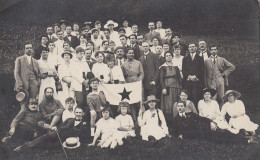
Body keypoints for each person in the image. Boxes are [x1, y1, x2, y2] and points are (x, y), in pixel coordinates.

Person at [173, 101, 256, 144]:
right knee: (221, 139)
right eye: (178, 106)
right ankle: (246, 141)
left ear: (184, 107)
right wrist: (180, 135)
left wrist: (211, 122)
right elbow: (176, 131)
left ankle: (244, 137)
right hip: (201, 134)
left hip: (207, 127)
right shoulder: (176, 119)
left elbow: (203, 118)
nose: (180, 108)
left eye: (181, 106)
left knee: (225, 132)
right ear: (176, 108)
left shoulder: (191, 114)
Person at [14, 107, 91, 152]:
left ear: (83, 114)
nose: (78, 114)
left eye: (79, 113)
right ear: (74, 113)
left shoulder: (85, 123)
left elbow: (83, 134)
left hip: (65, 140)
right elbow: (60, 125)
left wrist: (78, 137)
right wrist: (56, 127)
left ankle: (31, 146)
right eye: (76, 112)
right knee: (43, 139)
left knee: (48, 146)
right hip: (58, 133)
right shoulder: (69, 119)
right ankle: (23, 147)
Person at [14, 42, 40, 112]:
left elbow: (38, 74)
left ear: (32, 50)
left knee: (33, 103)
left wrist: (37, 82)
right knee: (23, 105)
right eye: (27, 48)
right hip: (23, 85)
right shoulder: (19, 59)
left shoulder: (35, 61)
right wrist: (19, 84)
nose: (29, 49)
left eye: (30, 48)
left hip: (34, 85)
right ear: (24, 50)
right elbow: (16, 73)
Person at [121, 48, 144, 123]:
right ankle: (133, 120)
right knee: (131, 102)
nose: (131, 54)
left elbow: (141, 73)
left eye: (132, 53)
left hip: (137, 84)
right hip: (128, 84)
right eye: (129, 53)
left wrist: (138, 81)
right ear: (126, 54)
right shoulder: (123, 64)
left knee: (139, 101)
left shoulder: (138, 63)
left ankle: (141, 119)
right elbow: (122, 75)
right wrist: (125, 82)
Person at [160, 51, 182, 120]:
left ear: (172, 57)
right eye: (167, 56)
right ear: (165, 57)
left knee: (175, 103)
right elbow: (161, 79)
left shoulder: (176, 66)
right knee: (168, 105)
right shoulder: (163, 67)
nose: (168, 57)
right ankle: (169, 121)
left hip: (175, 87)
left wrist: (180, 86)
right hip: (167, 88)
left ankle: (176, 120)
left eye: (170, 55)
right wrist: (163, 88)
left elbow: (179, 78)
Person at [182, 42, 204, 107]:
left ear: (196, 48)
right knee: (189, 97)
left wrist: (195, 76)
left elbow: (202, 69)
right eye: (190, 47)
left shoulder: (200, 58)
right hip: (188, 81)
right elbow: (183, 70)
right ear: (188, 49)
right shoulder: (185, 58)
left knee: (197, 97)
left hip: (197, 81)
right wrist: (189, 76)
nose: (192, 48)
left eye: (193, 46)